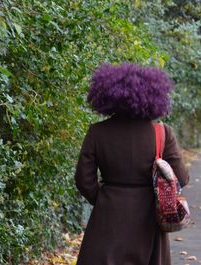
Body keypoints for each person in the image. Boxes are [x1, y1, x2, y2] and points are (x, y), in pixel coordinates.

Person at [75, 63, 189, 265]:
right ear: (153, 97)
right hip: (148, 218)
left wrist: (103, 200)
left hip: (108, 214)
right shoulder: (162, 133)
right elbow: (181, 178)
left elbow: (84, 180)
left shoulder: (97, 132)